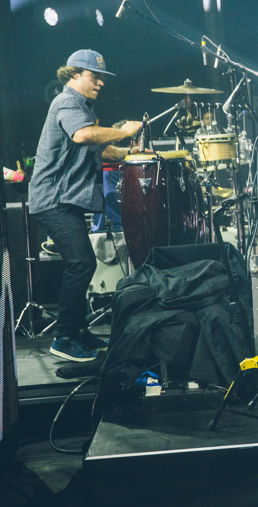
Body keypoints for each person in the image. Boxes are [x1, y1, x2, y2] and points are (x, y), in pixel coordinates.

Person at [29, 50, 142, 362]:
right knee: (81, 264)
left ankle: (77, 331)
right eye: (95, 76)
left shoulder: (82, 106)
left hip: (66, 200)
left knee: (83, 264)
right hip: (53, 199)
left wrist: (130, 153)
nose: (101, 83)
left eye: (102, 77)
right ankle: (64, 337)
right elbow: (83, 136)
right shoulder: (67, 102)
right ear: (75, 74)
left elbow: (98, 150)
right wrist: (124, 131)